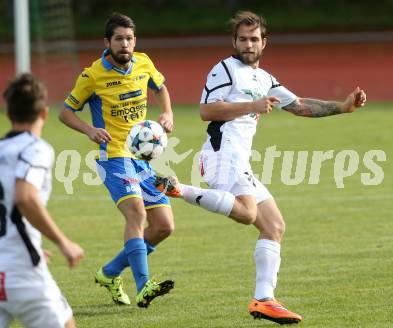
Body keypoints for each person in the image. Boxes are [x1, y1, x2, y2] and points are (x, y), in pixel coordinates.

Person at [155, 11, 366, 325]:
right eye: (243, 39)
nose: (248, 44)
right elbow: (206, 110)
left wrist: (344, 107)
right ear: (234, 42)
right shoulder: (224, 69)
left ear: (264, 42)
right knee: (248, 213)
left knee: (274, 226)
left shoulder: (264, 78)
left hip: (239, 159)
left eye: (254, 39)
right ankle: (178, 188)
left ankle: (263, 300)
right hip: (221, 153)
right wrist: (251, 106)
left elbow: (300, 106)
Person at [59, 13, 175, 308]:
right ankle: (143, 285)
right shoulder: (92, 75)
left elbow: (160, 87)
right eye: (120, 39)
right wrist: (89, 130)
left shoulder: (144, 62)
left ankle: (109, 273)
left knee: (163, 226)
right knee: (137, 214)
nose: (126, 44)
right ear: (107, 42)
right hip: (113, 156)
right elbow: (65, 112)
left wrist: (168, 113)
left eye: (130, 38)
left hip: (143, 157)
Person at [0, 73, 84, 328]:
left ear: (8, 113)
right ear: (44, 113)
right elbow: (25, 197)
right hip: (22, 272)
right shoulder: (36, 149)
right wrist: (63, 242)